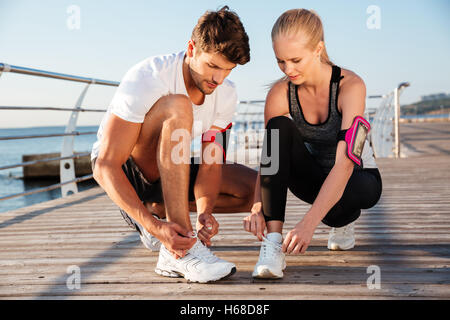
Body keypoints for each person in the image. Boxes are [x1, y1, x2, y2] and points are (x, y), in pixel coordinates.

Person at [92, 6, 256, 283]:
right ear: (191, 48)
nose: (218, 79)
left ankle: (161, 208)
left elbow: (211, 163)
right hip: (128, 169)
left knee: (256, 189)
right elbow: (104, 166)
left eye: (227, 70)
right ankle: (177, 248)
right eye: (213, 66)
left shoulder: (226, 94)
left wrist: (205, 210)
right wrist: (153, 227)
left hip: (170, 165)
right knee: (180, 106)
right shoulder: (149, 76)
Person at [244, 9, 382, 279]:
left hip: (358, 178)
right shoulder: (280, 94)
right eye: (280, 61)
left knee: (339, 210)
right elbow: (270, 156)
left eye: (295, 60)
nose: (288, 70)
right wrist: (257, 206)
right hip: (313, 179)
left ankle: (342, 222)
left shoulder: (350, 86)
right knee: (278, 127)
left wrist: (308, 224)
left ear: (318, 49)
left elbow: (345, 163)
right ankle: (272, 246)